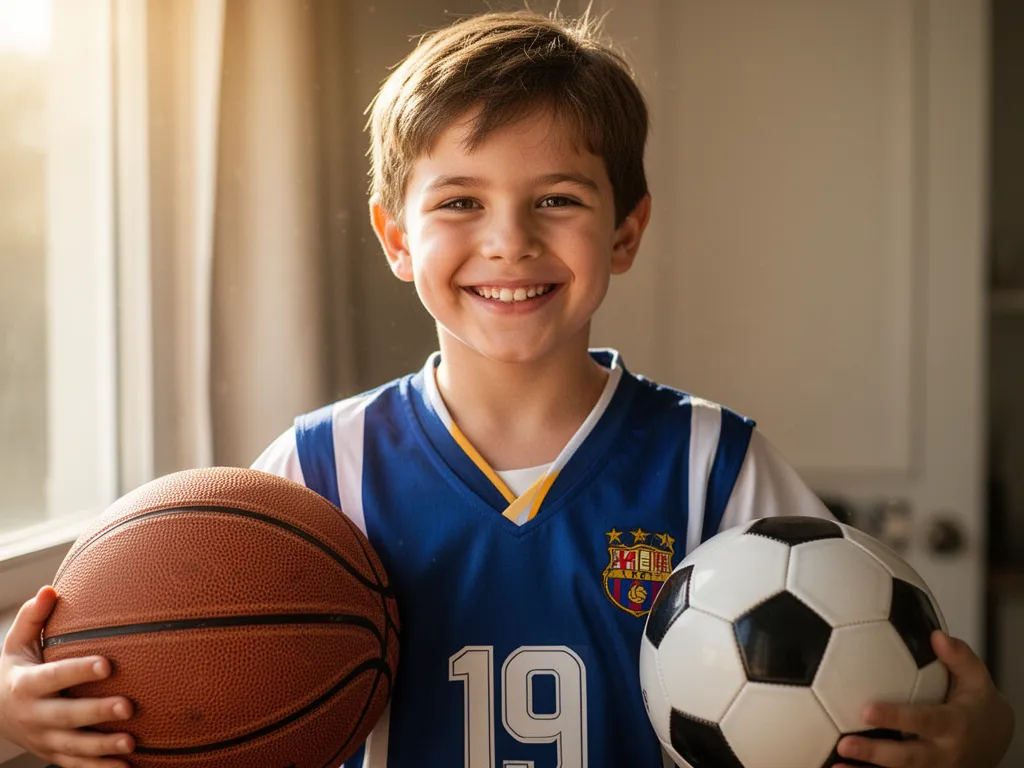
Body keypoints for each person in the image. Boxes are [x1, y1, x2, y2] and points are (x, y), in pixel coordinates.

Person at [0, 9, 1014, 768]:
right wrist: (31, 707)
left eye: (557, 200)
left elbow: (897, 689)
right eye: (459, 202)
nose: (508, 241)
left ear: (625, 229)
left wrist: (978, 732)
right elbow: (186, 680)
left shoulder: (715, 465)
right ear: (396, 238)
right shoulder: (314, 472)